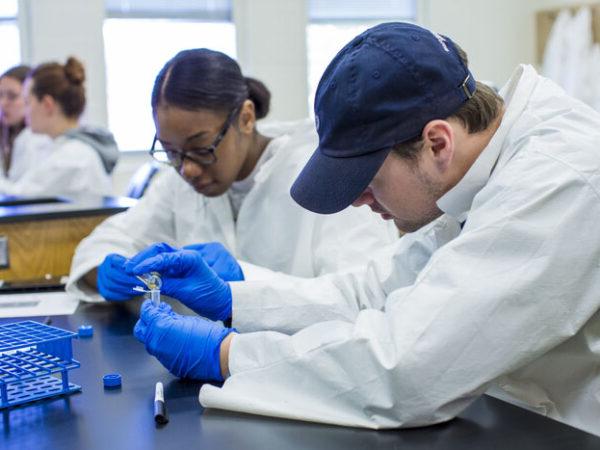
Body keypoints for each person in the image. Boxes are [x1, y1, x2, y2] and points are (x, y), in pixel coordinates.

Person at [129, 23, 600, 435]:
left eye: (367, 180)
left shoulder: (559, 179)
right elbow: (375, 293)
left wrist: (229, 356)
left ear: (437, 141)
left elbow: (410, 367)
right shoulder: (477, 169)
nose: (357, 200)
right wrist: (236, 301)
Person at [66, 48, 397, 302]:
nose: (188, 169)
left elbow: (359, 295)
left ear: (247, 118)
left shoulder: (321, 171)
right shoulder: (177, 185)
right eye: (171, 152)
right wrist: (112, 271)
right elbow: (105, 243)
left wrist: (244, 279)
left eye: (201, 147)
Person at [0, 57, 118, 198]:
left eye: (27, 102)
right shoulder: (61, 148)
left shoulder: (74, 156)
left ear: (47, 105)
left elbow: (21, 194)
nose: (26, 111)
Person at [0, 65, 52, 182]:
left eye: (12, 96)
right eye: (0, 95)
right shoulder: (6, 136)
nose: (3, 103)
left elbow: (23, 192)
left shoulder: (36, 139)